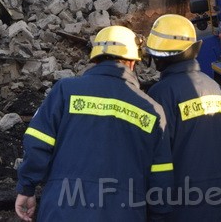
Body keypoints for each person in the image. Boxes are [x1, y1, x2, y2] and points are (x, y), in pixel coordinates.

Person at [15, 25, 174, 221]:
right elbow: (161, 175)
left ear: (95, 59)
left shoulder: (66, 91)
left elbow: (37, 143)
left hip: (63, 209)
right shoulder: (153, 111)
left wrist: (27, 187)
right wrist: (160, 216)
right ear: (133, 63)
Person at [145, 14, 221, 221]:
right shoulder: (216, 88)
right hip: (218, 203)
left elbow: (156, 160)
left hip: (181, 207)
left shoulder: (161, 94)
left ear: (160, 57)